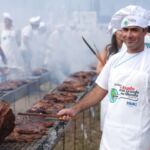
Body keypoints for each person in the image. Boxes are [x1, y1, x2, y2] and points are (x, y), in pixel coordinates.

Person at [57, 5, 150, 150]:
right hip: (111, 137)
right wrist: (75, 109)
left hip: (138, 139)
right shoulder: (114, 60)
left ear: (145, 31)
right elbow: (99, 91)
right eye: (125, 29)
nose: (129, 35)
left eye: (135, 29)